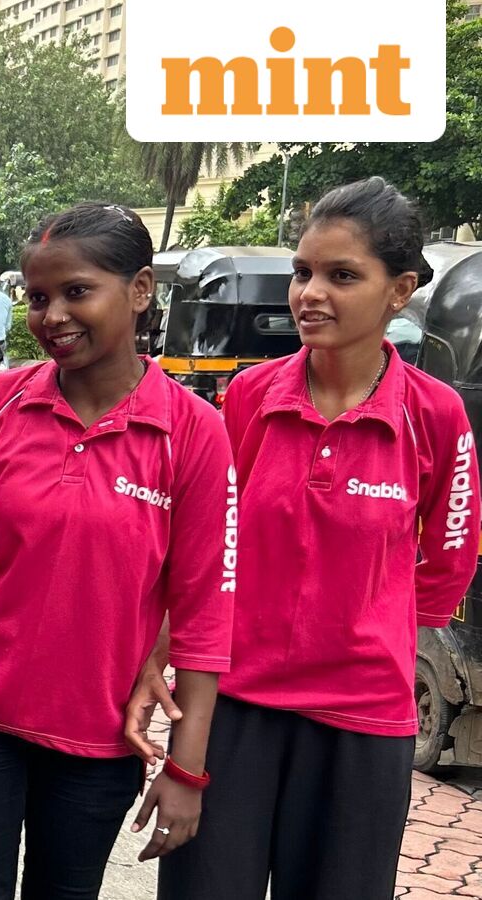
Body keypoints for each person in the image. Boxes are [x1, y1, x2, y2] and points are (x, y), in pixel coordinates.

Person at [0, 203, 234, 899]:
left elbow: (206, 606)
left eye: (77, 291)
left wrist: (186, 768)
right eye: (38, 297)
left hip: (99, 733)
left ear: (140, 290)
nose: (53, 316)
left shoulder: (192, 431)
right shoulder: (0, 402)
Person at [144, 178, 478, 900]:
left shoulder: (435, 415)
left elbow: (450, 558)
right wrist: (158, 655)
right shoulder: (251, 396)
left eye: (342, 276)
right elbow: (207, 546)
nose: (310, 294)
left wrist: (369, 622)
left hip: (362, 724)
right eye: (303, 272)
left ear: (400, 291)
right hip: (235, 708)